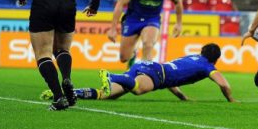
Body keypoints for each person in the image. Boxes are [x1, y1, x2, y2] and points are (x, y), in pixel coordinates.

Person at [40, 43, 238, 102]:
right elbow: (224, 84)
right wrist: (231, 100)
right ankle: (112, 76)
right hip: (155, 72)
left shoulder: (192, 58)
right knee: (139, 90)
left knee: (106, 96)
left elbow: (172, 81)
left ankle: (66, 94)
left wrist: (183, 97)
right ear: (216, 59)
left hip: (148, 67)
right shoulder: (207, 66)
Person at [107, 0, 183, 67]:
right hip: (132, 19)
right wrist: (113, 29)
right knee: (124, 58)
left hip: (152, 19)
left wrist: (179, 23)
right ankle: (133, 53)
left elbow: (178, 1)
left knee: (148, 44)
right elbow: (120, 4)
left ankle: (144, 76)